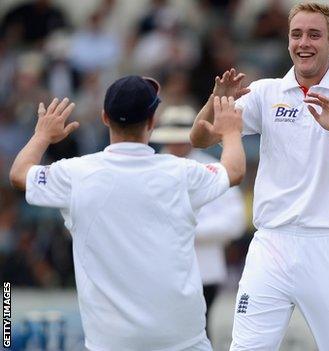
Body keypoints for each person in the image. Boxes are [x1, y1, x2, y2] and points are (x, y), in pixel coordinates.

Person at [190, 2, 329, 350]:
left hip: (328, 242)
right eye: (297, 34)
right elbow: (200, 137)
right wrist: (215, 101)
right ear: (287, 42)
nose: (304, 43)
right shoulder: (266, 91)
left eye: (315, 34)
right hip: (271, 243)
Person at [8, 76, 245, 351]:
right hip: (182, 339)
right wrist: (230, 131)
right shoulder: (181, 172)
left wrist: (42, 136)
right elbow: (235, 171)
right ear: (152, 121)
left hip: (110, 342)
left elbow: (19, 175)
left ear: (104, 117)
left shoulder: (75, 174)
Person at [151, 104, 247, 339]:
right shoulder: (150, 167)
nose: (176, 145)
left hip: (203, 269)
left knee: (198, 332)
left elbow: (235, 220)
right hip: (160, 269)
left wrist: (189, 230)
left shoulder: (212, 168)